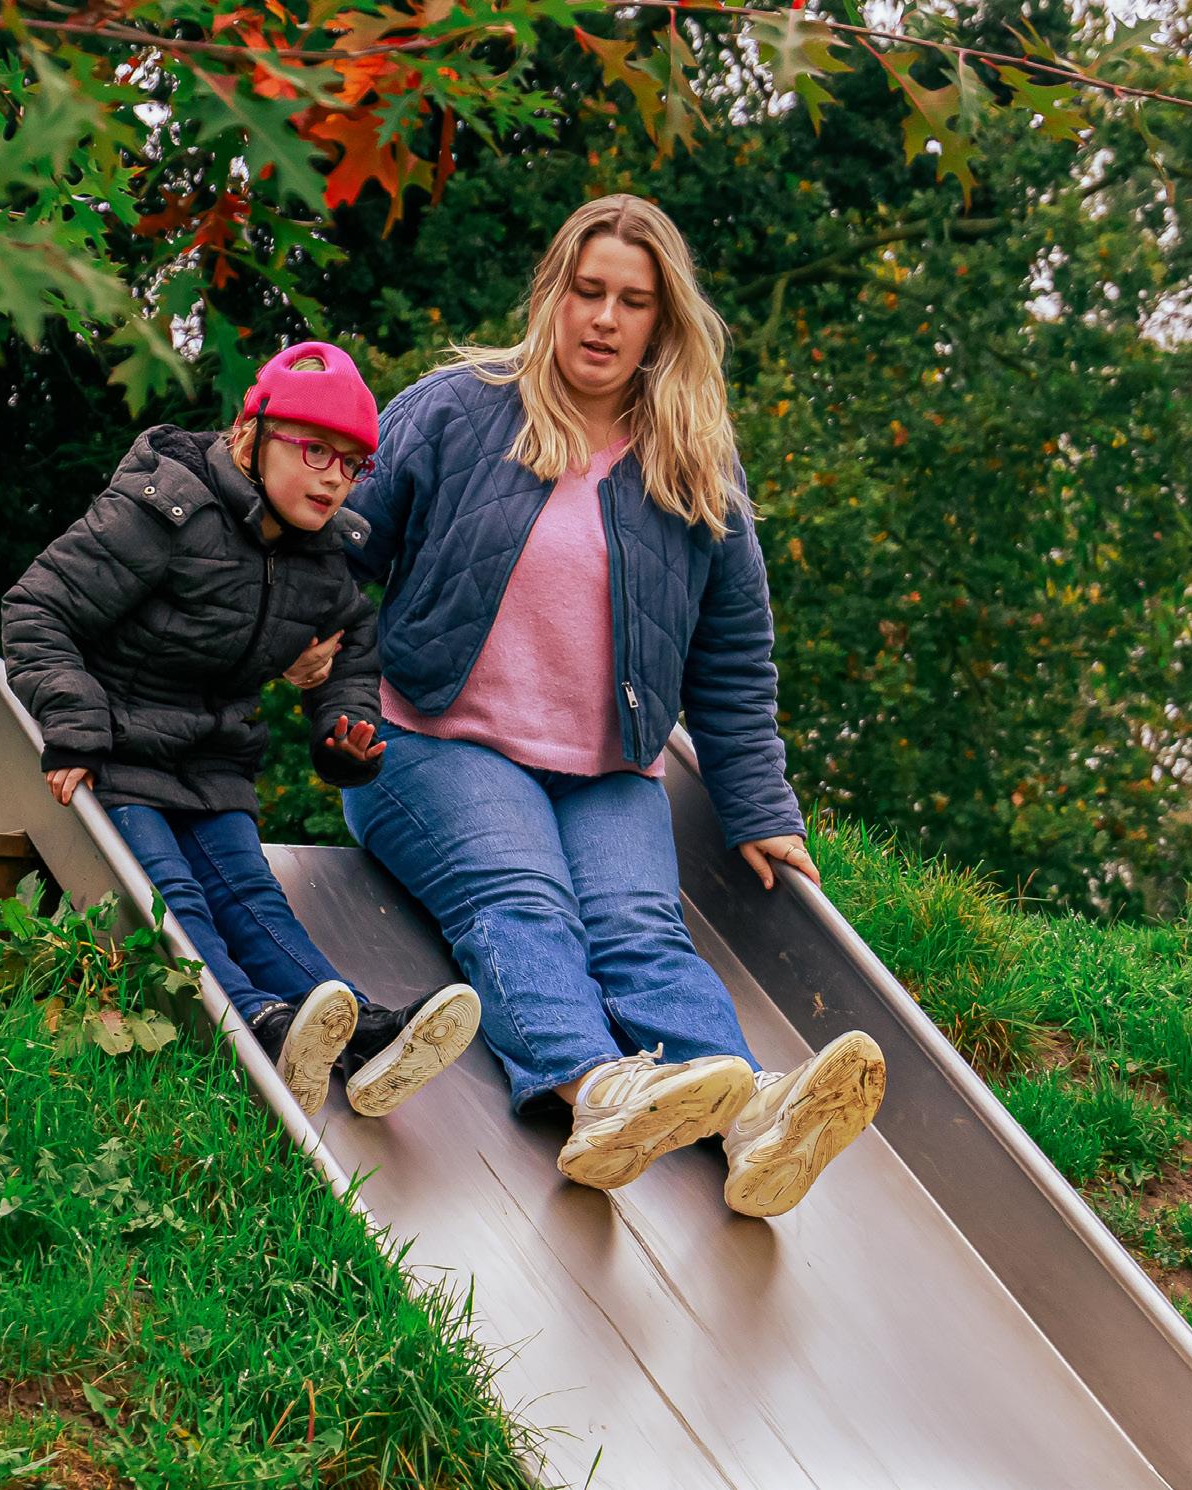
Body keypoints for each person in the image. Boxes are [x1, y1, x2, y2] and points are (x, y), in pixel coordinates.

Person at [325, 195, 886, 1217]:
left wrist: (760, 807)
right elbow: (334, 550)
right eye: (587, 292)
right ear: (552, 293)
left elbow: (732, 655)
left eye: (633, 301)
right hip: (432, 739)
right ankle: (592, 1090)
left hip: (604, 766)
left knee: (641, 933)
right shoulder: (456, 411)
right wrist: (322, 674)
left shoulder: (693, 458)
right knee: (523, 898)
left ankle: (753, 1120)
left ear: (662, 323)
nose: (604, 318)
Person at [1, 342, 478, 1120]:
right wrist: (76, 725)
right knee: (173, 891)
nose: (334, 476)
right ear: (251, 434)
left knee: (255, 897)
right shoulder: (166, 509)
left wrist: (344, 729)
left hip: (213, 761)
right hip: (116, 749)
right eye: (315, 450)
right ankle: (258, 1018)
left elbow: (354, 647)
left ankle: (359, 1031)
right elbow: (37, 608)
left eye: (352, 463)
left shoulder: (323, 554)